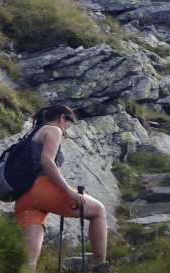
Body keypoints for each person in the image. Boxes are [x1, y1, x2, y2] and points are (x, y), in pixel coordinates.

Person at [15, 103, 110, 272]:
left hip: (23, 197)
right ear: (61, 118)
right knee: (98, 211)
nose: (65, 132)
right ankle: (100, 266)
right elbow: (46, 161)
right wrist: (68, 191)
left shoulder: (32, 134)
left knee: (29, 261)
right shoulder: (53, 130)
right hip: (41, 189)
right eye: (67, 126)